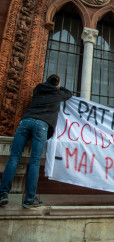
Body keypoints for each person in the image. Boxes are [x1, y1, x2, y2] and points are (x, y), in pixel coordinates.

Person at [0, 74, 72, 208]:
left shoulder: (38, 90)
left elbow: (39, 87)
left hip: (25, 122)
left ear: (46, 81)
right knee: (35, 161)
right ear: (57, 84)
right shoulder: (57, 94)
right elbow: (69, 93)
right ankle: (29, 198)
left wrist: (51, 84)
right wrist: (58, 87)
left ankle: (3, 194)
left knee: (14, 157)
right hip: (41, 125)